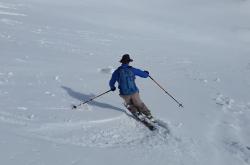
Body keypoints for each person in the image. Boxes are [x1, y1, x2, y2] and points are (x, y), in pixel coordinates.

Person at [109, 54, 155, 122]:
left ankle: (136, 112)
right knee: (139, 103)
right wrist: (146, 73)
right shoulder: (132, 70)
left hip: (124, 93)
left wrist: (112, 87)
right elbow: (144, 75)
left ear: (122, 62)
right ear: (128, 62)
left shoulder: (117, 72)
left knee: (130, 104)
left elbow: (111, 82)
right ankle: (148, 115)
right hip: (134, 91)